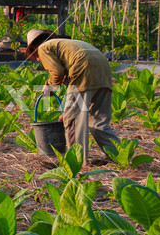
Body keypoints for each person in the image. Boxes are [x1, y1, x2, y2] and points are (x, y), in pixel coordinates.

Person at [25, 29, 120, 164]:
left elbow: (56, 72)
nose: (40, 60)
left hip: (84, 68)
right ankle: (119, 156)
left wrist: (49, 86)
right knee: (98, 121)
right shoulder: (66, 46)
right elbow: (75, 93)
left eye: (37, 58)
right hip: (103, 69)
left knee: (73, 121)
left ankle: (75, 162)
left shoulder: (44, 48)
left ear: (34, 48)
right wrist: (68, 111)